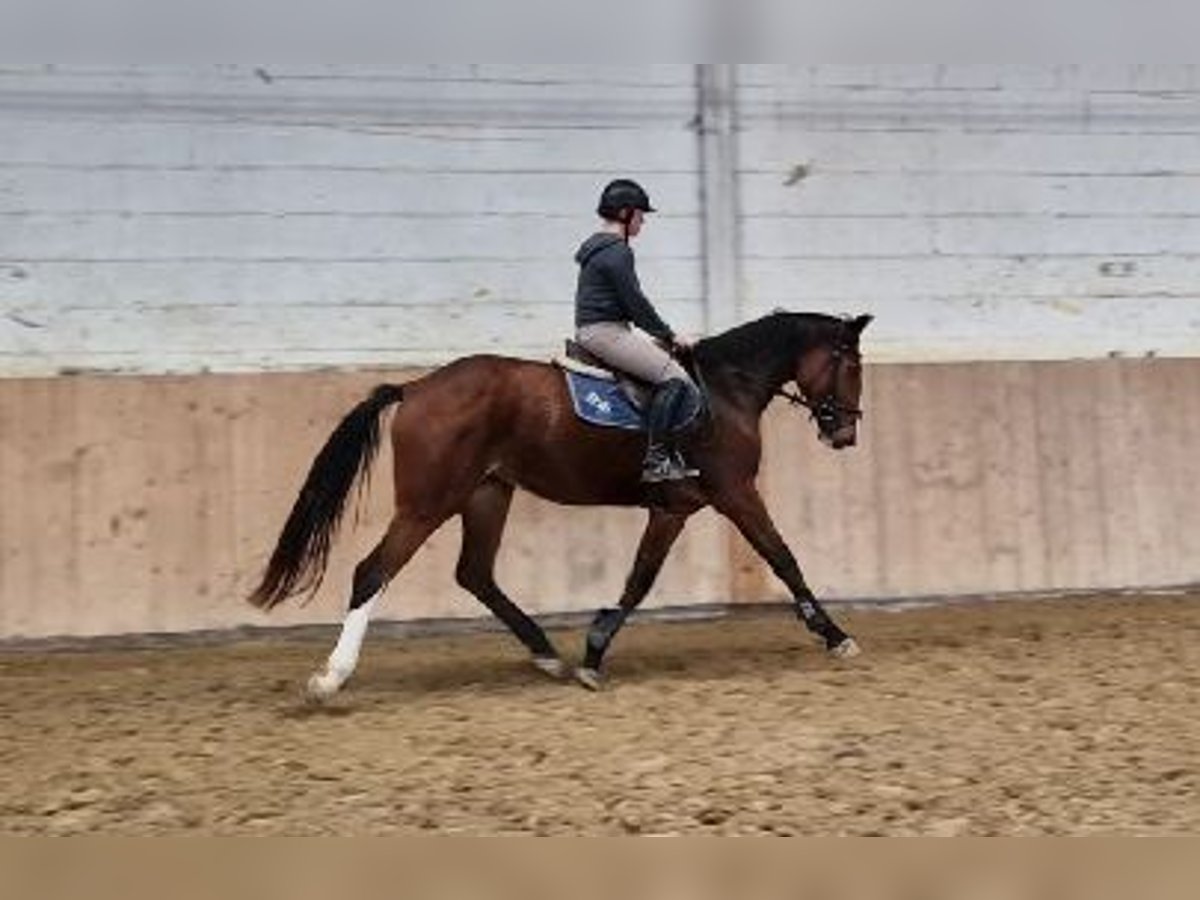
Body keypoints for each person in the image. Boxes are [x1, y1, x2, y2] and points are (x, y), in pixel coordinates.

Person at [574, 178, 701, 482]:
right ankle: (657, 459)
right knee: (675, 379)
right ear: (625, 213)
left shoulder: (598, 247)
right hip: (606, 332)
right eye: (640, 215)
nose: (643, 221)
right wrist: (671, 336)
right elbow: (636, 305)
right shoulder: (617, 251)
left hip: (598, 328)